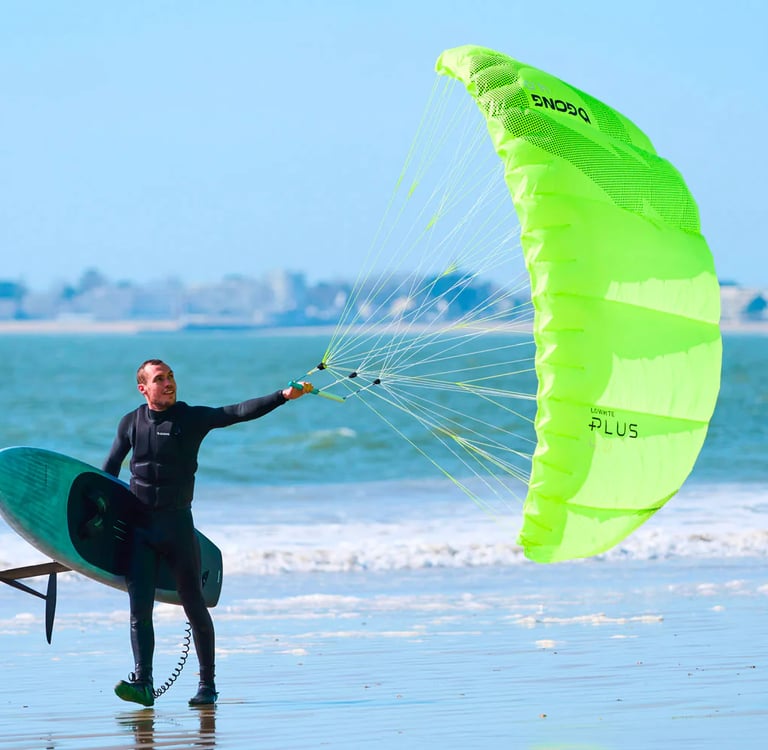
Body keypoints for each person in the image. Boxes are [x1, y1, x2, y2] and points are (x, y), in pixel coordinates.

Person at [103, 358, 311, 707]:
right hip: (141, 530)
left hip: (177, 527)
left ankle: (207, 685)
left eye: (170, 376)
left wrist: (282, 396)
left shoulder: (191, 417)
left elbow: (236, 412)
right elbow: (109, 472)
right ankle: (143, 681)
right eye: (159, 379)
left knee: (193, 604)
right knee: (139, 609)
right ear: (143, 388)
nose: (168, 383)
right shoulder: (130, 423)